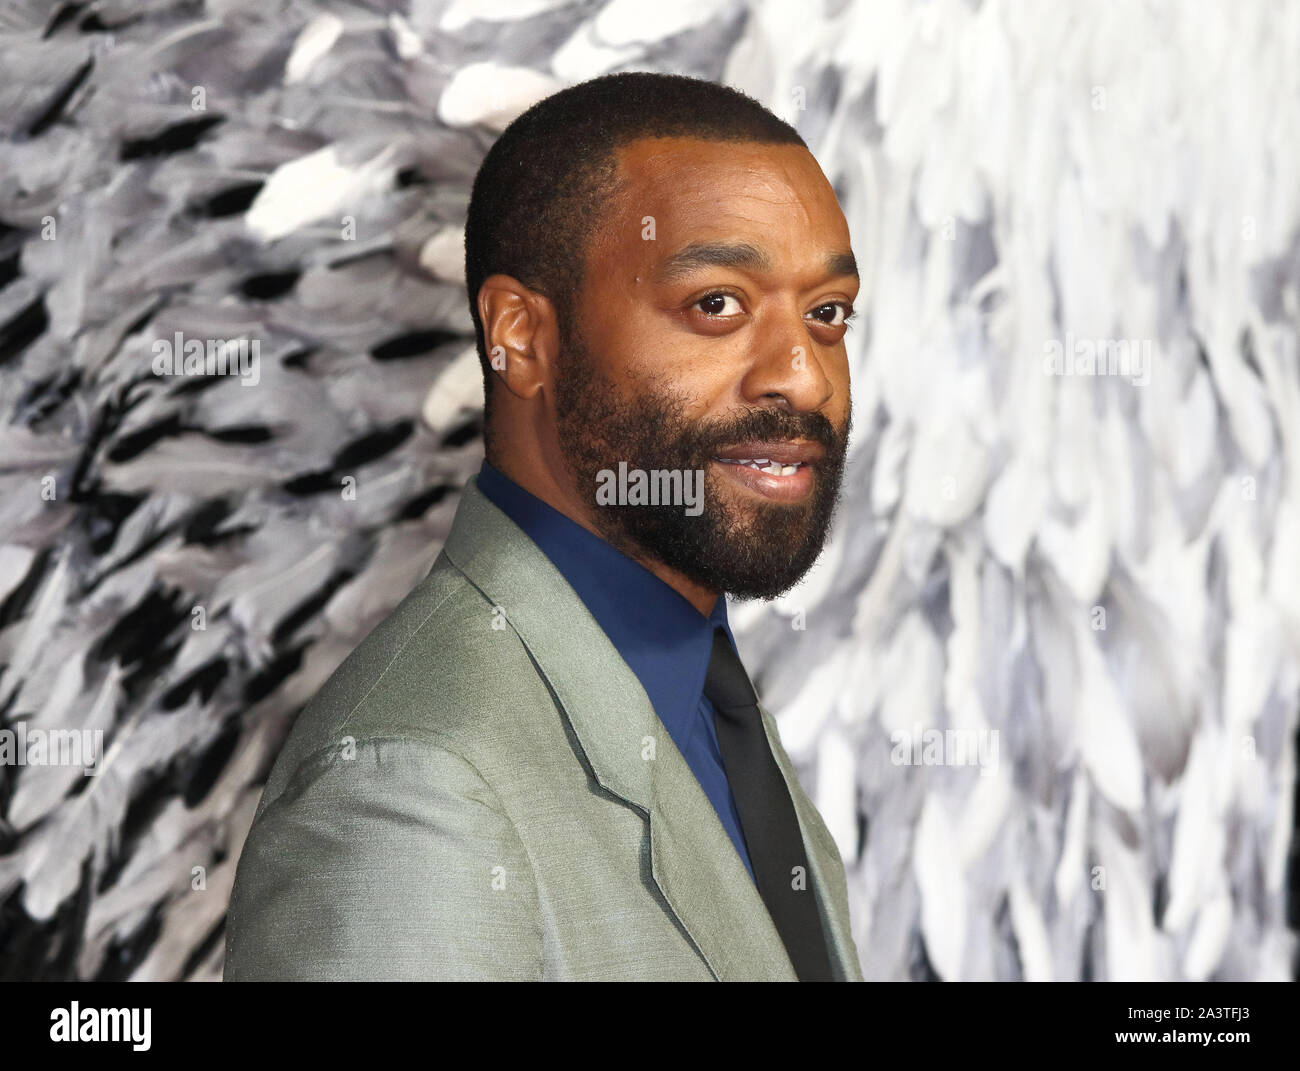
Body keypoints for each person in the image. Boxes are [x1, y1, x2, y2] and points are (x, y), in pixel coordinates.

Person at [224, 70, 862, 981]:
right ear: (520, 337)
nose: (803, 376)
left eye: (827, 313)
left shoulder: (704, 699)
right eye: (716, 304)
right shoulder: (413, 794)